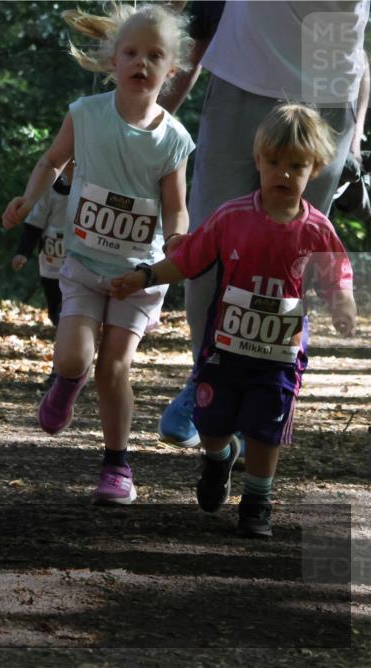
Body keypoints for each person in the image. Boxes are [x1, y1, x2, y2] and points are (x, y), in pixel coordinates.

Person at [111, 103, 357, 537]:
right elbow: (187, 259)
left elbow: (336, 273)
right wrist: (145, 276)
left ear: (314, 169)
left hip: (281, 351)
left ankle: (257, 502)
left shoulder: (316, 230)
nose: (283, 174)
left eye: (296, 165)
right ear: (258, 161)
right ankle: (219, 458)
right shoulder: (232, 217)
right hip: (225, 347)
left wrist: (343, 303)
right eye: (275, 162)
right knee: (212, 422)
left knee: (267, 428)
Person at [2, 4, 195, 505]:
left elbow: (177, 209)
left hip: (138, 274)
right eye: (131, 53)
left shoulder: (174, 140)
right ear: (113, 61)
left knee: (114, 367)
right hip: (85, 263)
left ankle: (117, 465)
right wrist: (28, 199)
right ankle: (66, 384)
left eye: (155, 56)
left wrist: (176, 241)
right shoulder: (85, 115)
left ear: (171, 70)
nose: (142, 63)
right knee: (73, 356)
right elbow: (52, 159)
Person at [158, 1, 369, 449]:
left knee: (292, 263)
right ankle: (206, 382)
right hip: (245, 70)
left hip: (330, 83)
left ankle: (264, 396)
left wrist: (357, 126)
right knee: (209, 246)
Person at [11, 160, 73, 331]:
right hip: (51, 263)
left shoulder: (88, 193)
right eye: (69, 160)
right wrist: (22, 253)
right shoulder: (49, 193)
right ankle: (60, 323)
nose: (73, 164)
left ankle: (68, 331)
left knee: (74, 302)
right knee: (55, 307)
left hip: (76, 265)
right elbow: (33, 227)